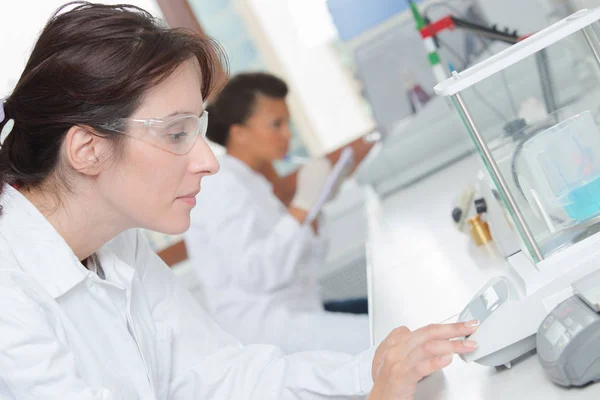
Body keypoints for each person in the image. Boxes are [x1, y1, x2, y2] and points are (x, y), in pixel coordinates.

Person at [0, 3, 479, 399]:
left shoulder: (117, 247)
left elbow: (222, 374)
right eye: (176, 133)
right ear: (88, 150)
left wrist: (371, 372)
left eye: (198, 130)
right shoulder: (11, 302)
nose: (209, 162)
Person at [185, 73, 374, 354]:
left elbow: (308, 260)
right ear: (239, 133)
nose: (288, 134)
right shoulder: (218, 185)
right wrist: (301, 208)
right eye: (276, 125)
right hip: (269, 332)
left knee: (388, 309)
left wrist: (315, 209)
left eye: (288, 123)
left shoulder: (253, 182)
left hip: (303, 311)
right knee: (388, 335)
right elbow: (257, 273)